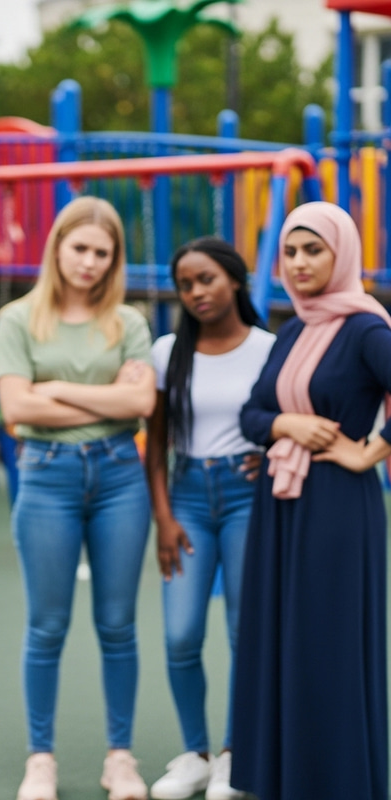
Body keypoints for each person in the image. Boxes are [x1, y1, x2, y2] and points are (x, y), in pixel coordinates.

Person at [0, 196, 156, 800]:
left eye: (102, 254)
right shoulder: (19, 319)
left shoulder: (129, 323)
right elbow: (16, 407)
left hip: (118, 478)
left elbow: (140, 405)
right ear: (58, 247)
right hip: (47, 476)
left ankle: (121, 758)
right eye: (80, 248)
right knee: (47, 626)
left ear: (114, 261)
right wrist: (100, 394)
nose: (89, 262)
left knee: (118, 625)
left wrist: (52, 387)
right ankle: (41, 761)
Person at [230, 201, 391, 800]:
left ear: (342, 254)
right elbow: (253, 413)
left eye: (312, 250)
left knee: (327, 638)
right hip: (281, 501)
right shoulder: (296, 328)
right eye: (290, 252)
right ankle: (283, 778)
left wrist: (367, 452)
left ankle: (338, 783)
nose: (298, 264)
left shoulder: (366, 328)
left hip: (337, 506)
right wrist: (287, 427)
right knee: (280, 634)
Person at [144, 237, 275, 800]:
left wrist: (268, 455)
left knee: (246, 633)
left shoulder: (271, 348)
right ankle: (195, 753)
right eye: (186, 284)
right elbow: (155, 446)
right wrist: (165, 518)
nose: (196, 292)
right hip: (189, 496)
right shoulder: (168, 351)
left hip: (250, 498)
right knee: (180, 635)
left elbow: (286, 420)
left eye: (207, 280)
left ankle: (233, 755)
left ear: (236, 281)